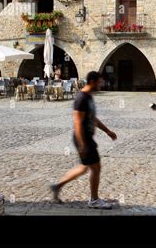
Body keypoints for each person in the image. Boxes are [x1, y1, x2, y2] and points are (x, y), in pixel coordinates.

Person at [50, 71, 117, 209]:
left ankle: (57, 186)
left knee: (84, 168)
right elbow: (78, 123)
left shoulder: (88, 96)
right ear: (92, 81)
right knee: (96, 168)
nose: (101, 84)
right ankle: (94, 200)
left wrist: (108, 131)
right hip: (84, 139)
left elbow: (92, 118)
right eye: (99, 82)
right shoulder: (81, 98)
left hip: (86, 138)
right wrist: (82, 145)